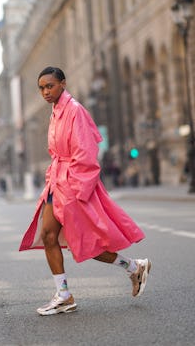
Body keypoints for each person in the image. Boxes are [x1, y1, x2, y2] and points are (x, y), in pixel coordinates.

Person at [19, 67, 151, 316]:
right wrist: (52, 178)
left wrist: (78, 191)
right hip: (56, 183)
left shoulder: (75, 110)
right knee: (48, 235)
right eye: (42, 88)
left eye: (50, 86)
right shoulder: (56, 112)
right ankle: (64, 295)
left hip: (72, 186)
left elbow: (87, 154)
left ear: (63, 84)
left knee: (86, 242)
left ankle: (133, 266)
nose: (46, 91)